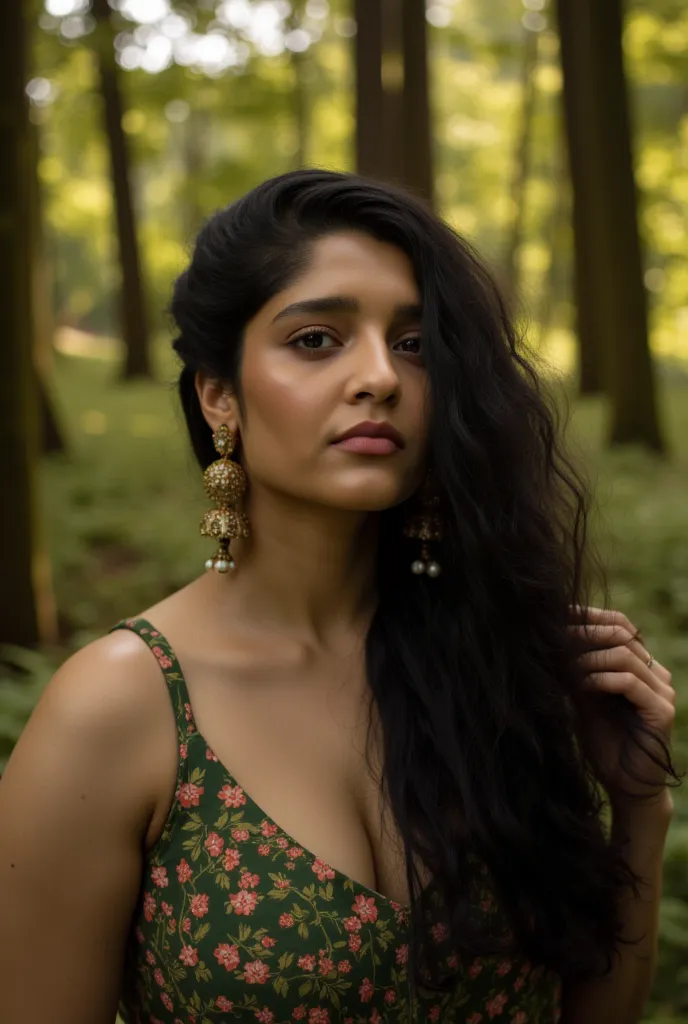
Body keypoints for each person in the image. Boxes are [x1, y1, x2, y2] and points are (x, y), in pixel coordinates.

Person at [0, 169, 678, 1024]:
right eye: (317, 339)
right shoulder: (118, 707)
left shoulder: (493, 662)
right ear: (219, 396)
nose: (379, 378)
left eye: (416, 343)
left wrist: (641, 808)